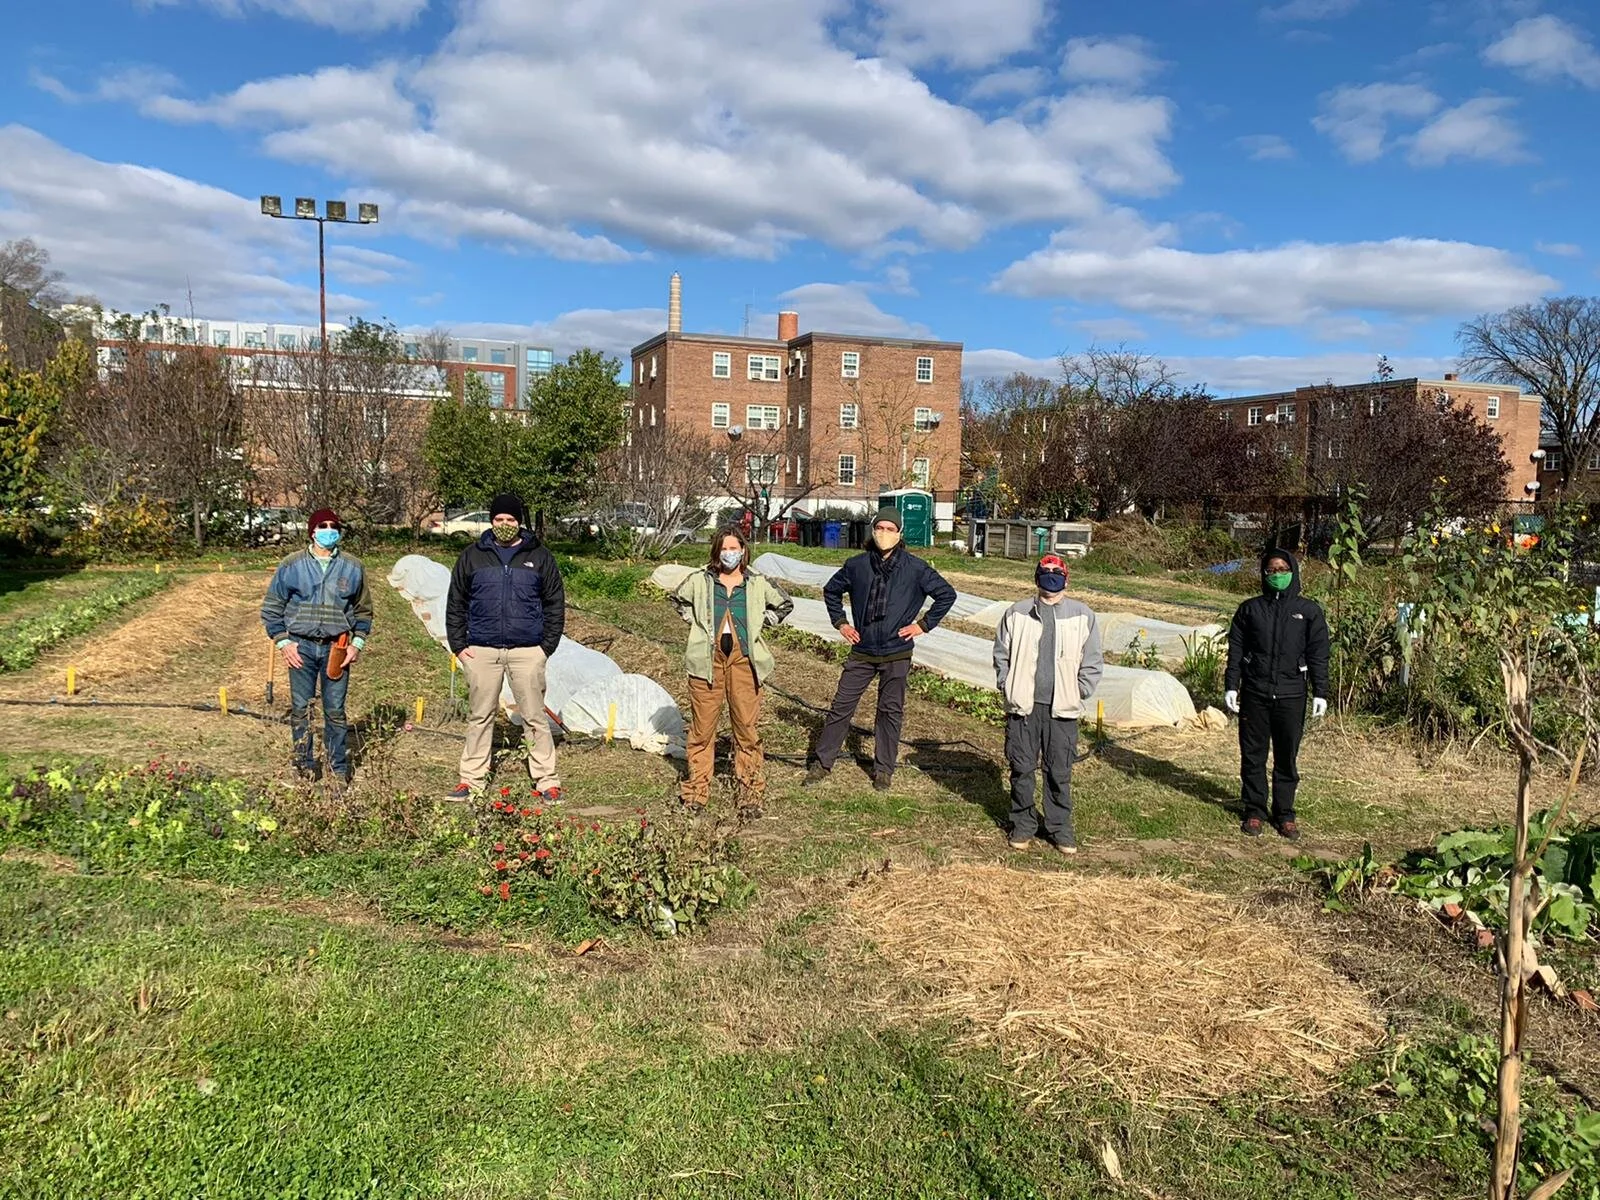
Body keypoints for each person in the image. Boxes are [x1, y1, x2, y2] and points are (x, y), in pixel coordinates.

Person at [806, 507, 956, 791]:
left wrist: (923, 625)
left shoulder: (915, 569)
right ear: (872, 530)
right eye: (880, 528)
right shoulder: (857, 565)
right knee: (841, 706)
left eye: (890, 529)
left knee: (890, 710)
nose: (884, 534)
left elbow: (946, 595)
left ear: (899, 534)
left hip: (896, 651)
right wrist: (841, 622)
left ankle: (883, 769)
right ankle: (823, 762)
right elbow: (831, 590)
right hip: (862, 650)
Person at [445, 493, 566, 800]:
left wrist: (545, 647)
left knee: (534, 715)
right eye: (499, 519)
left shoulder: (539, 557)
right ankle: (471, 780)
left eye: (510, 519)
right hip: (481, 650)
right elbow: (456, 603)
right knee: (480, 714)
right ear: (491, 520)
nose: (504, 524)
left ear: (519, 522)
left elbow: (555, 604)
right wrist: (459, 645)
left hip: (527, 651)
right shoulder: (472, 556)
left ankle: (546, 780)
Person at [671, 526, 794, 818]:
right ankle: (696, 793)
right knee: (702, 731)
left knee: (746, 730)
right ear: (717, 551)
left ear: (743, 551)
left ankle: (750, 794)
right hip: (707, 662)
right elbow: (678, 600)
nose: (729, 554)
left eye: (734, 548)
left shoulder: (756, 582)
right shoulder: (701, 580)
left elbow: (785, 604)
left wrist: (763, 621)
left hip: (744, 662)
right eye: (724, 549)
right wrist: (697, 624)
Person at [992, 554, 1103, 854]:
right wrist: (1007, 684)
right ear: (1036, 576)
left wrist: (1078, 692)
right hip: (1024, 708)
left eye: (1056, 572)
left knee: (1058, 771)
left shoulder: (1083, 615)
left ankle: (1059, 828)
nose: (1050, 576)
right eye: (1045, 571)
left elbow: (1092, 662)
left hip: (1062, 710)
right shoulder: (1017, 613)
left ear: (1066, 578)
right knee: (1022, 769)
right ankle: (1023, 824)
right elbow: (1001, 653)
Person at [1224, 548, 1330, 841]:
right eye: (1271, 570)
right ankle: (1255, 810)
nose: (1277, 574)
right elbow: (1236, 651)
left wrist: (1320, 691)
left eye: (1283, 569)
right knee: (1253, 755)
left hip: (1292, 694)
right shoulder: (1250, 609)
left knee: (1287, 757)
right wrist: (1232, 685)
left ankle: (1284, 814)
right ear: (1263, 574)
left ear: (1293, 572)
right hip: (1255, 692)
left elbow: (1319, 654)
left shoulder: (1308, 612)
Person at [260, 507, 373, 784]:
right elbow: (272, 608)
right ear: (312, 531)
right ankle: (304, 765)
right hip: (301, 647)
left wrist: (356, 645)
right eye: (322, 525)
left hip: (337, 648)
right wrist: (283, 642)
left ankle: (338, 767)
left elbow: (363, 611)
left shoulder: (352, 566)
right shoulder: (292, 564)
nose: (328, 529)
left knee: (335, 710)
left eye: (333, 525)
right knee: (301, 708)